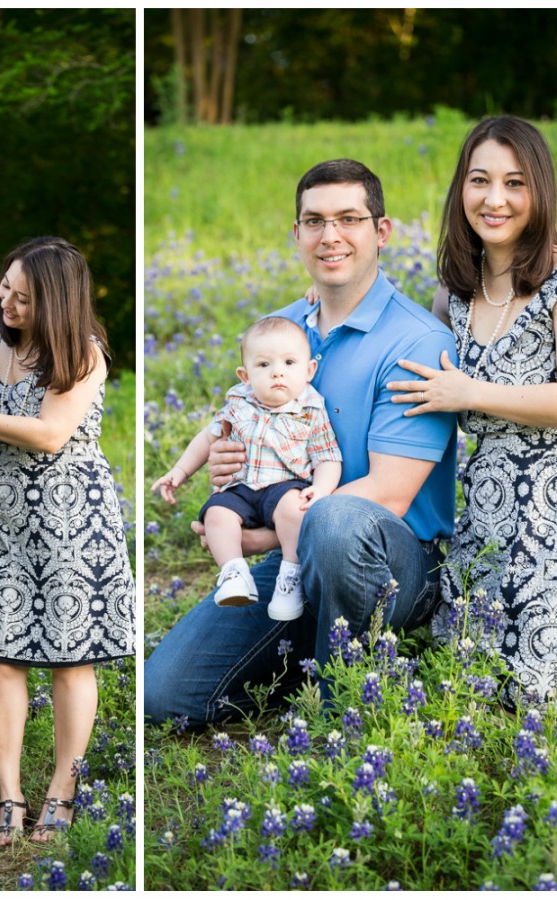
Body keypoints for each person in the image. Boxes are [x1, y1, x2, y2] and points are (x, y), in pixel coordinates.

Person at [144, 159, 458, 727]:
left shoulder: (417, 340)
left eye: (349, 219)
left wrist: (263, 534)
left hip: (394, 562)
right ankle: (305, 662)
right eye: (313, 221)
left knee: (338, 521)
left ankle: (345, 707)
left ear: (381, 232)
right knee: (164, 699)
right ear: (296, 234)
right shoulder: (278, 332)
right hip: (297, 555)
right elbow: (245, 430)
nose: (330, 236)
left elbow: (387, 496)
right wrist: (226, 462)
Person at [387, 116, 557, 711]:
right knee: (473, 683)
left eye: (515, 182)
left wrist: (469, 392)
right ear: (461, 191)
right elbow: (424, 398)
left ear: (541, 192)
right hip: (491, 512)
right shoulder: (452, 291)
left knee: (548, 699)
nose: (494, 199)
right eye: (480, 181)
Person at [0, 236, 135, 847]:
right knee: (4, 653)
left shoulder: (84, 352)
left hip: (73, 512)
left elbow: (47, 434)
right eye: (5, 289)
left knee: (72, 659)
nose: (7, 303)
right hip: (6, 509)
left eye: (24, 297)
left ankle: (62, 796)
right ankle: (11, 797)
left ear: (58, 302)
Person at [152, 316, 342, 621]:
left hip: (284, 487)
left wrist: (321, 489)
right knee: (216, 514)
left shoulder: (311, 409)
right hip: (240, 488)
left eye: (290, 363)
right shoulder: (238, 402)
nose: (277, 372)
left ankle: (290, 579)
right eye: (264, 365)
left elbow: (328, 456)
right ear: (245, 375)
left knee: (295, 510)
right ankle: (234, 574)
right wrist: (179, 471)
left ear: (309, 371)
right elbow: (207, 437)